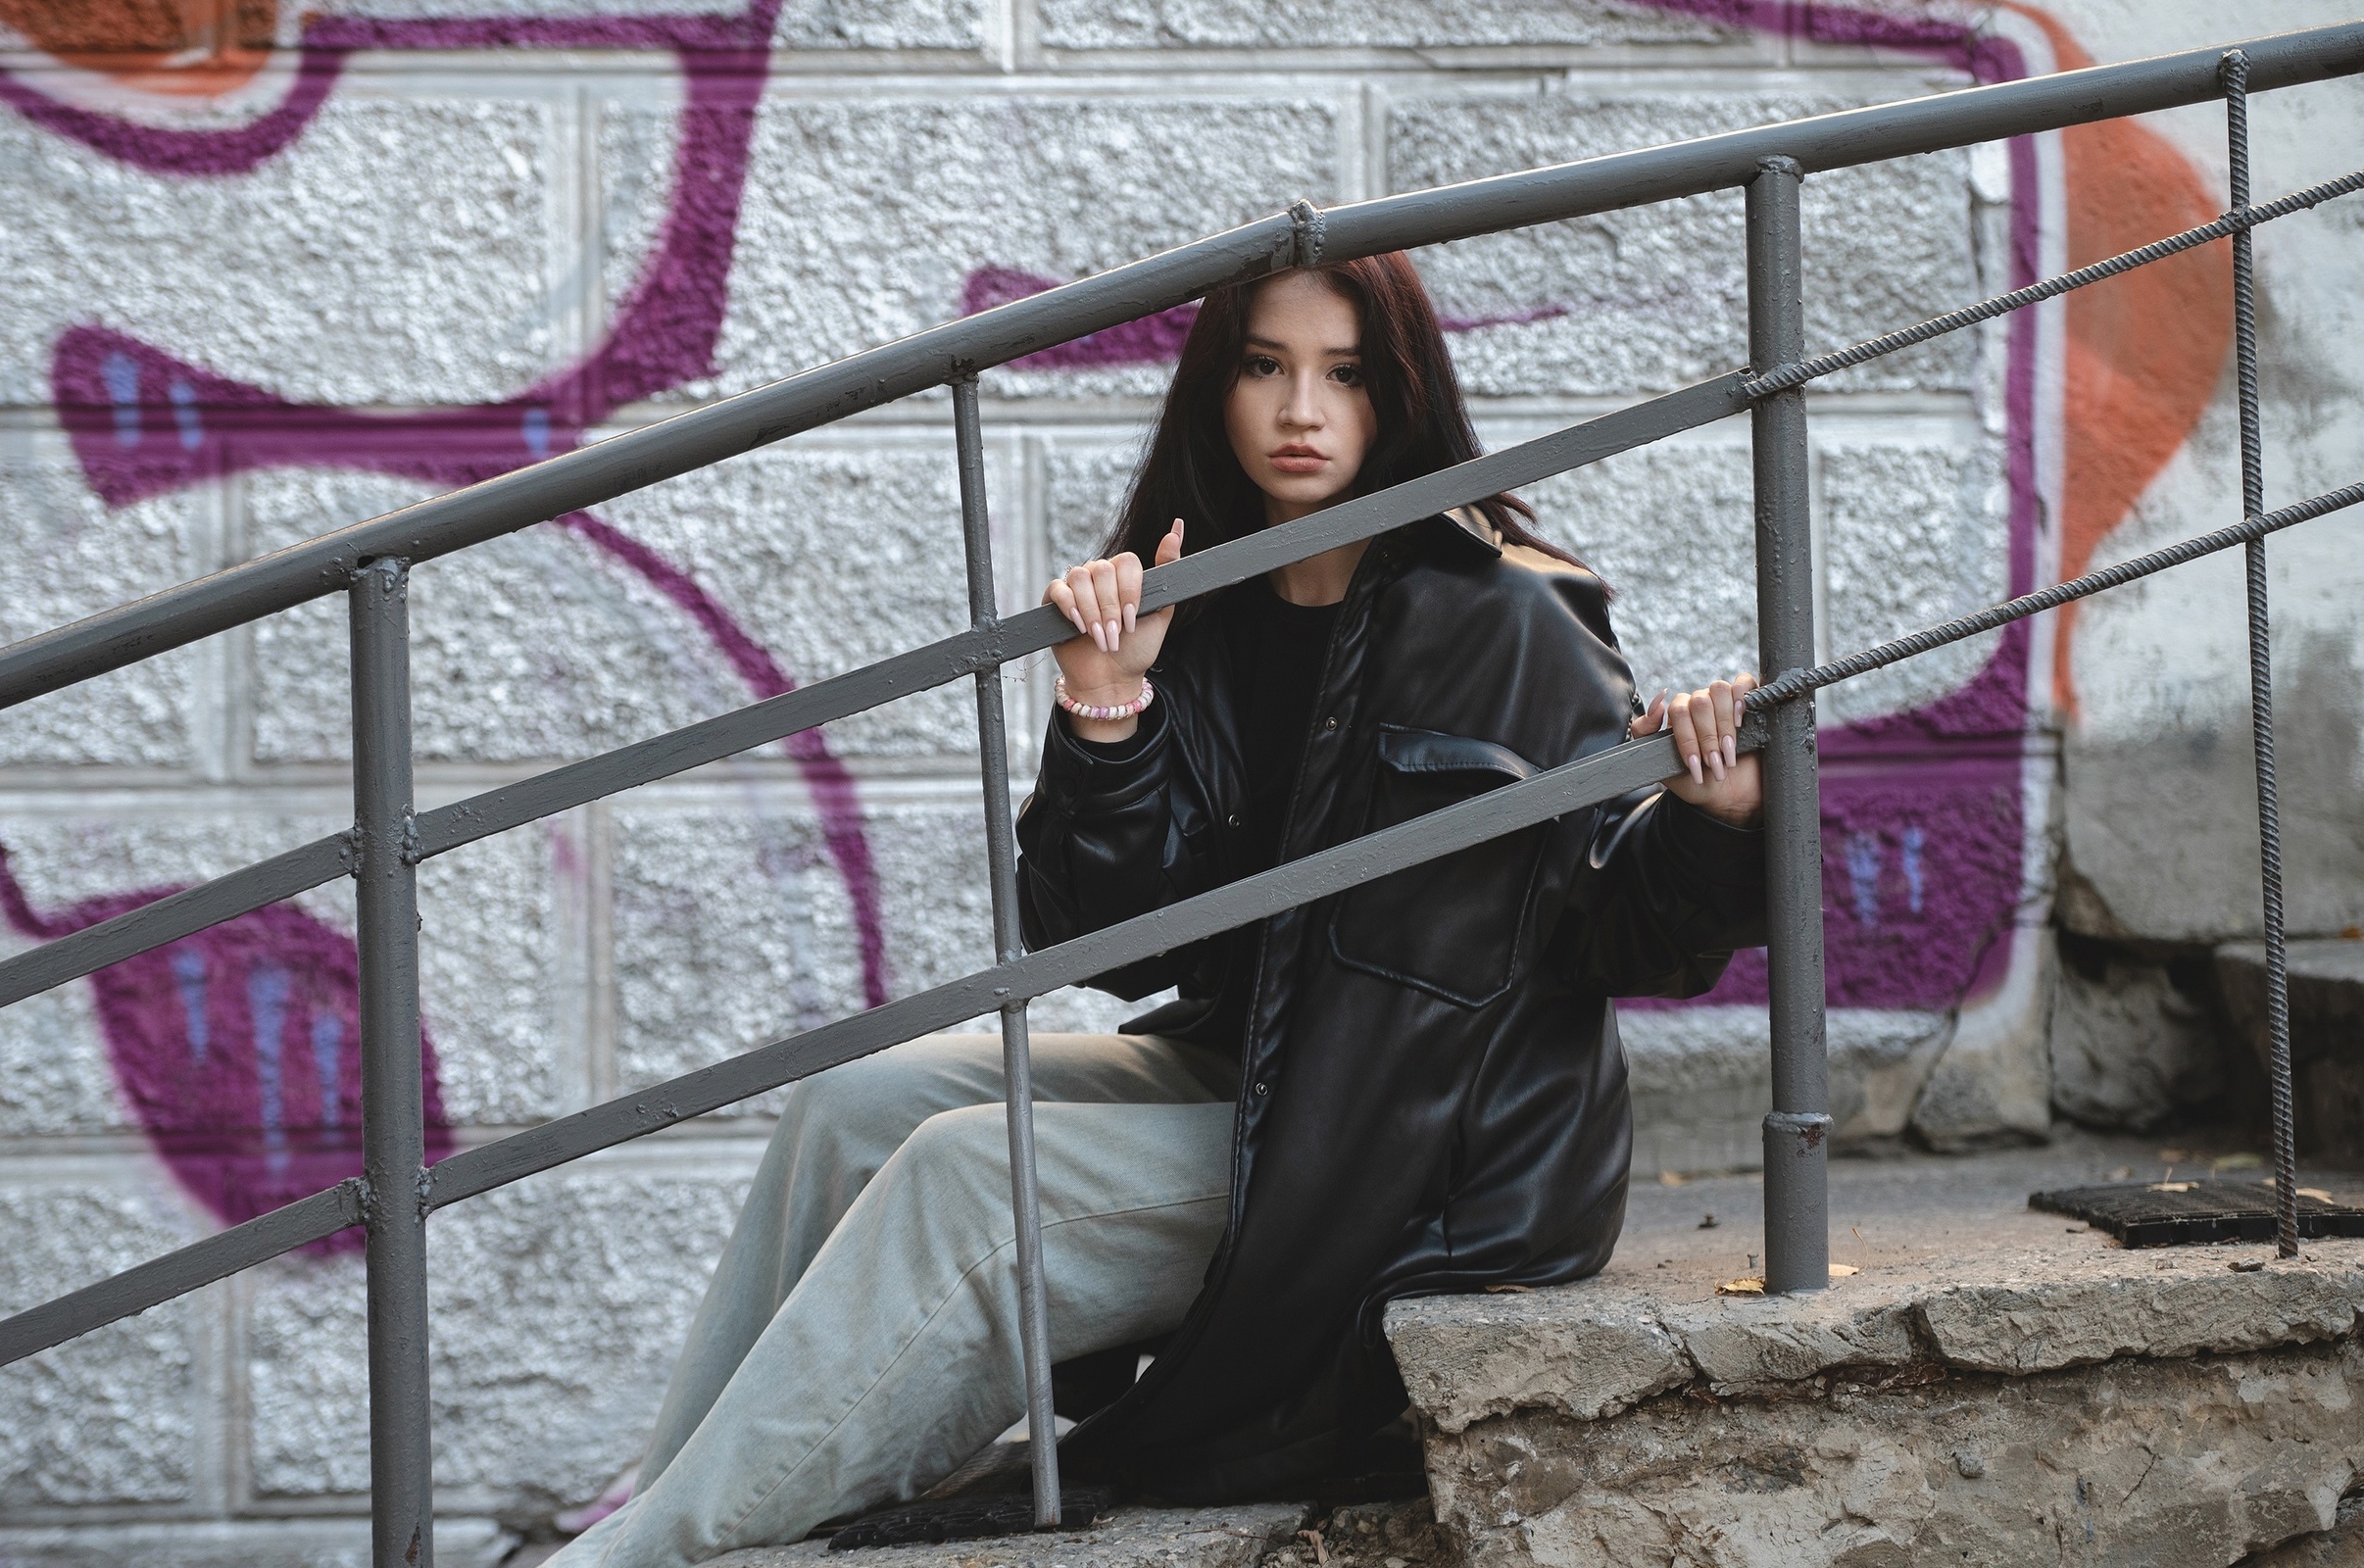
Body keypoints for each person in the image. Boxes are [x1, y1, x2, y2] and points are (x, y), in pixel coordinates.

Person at [547, 253, 1765, 1567]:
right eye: (1265, 366)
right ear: (1216, 389)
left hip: (1437, 1153)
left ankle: (634, 1557)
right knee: (854, 1105)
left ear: (1400, 395)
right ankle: (675, 1508)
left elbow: (1617, 929)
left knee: (972, 1180)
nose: (1302, 409)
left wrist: (1719, 815)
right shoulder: (1205, 600)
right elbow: (1107, 936)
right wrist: (1107, 712)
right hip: (1251, 1073)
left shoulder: (1509, 612)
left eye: (1345, 373)